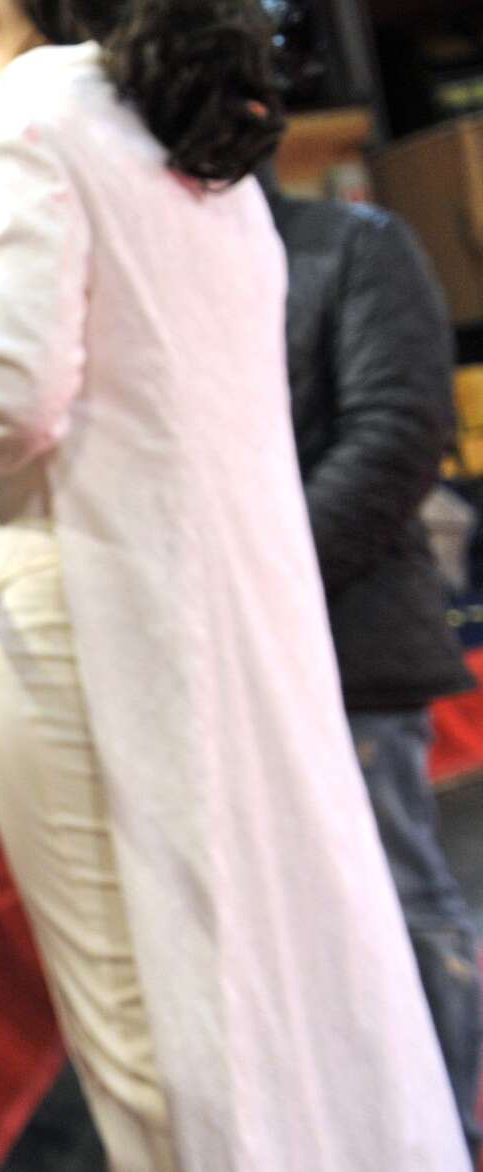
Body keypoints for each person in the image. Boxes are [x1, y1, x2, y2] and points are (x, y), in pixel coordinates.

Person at [0, 0, 467, 1166]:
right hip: (223, 621)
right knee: (285, 988)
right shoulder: (188, 146)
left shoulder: (10, 125)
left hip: (89, 623)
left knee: (147, 1020)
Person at [262, 171, 482, 1156]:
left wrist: (256, 578)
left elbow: (394, 435)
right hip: (236, 661)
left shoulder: (349, 243)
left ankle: (447, 1126)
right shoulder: (159, 265)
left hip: (350, 643)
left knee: (403, 894)